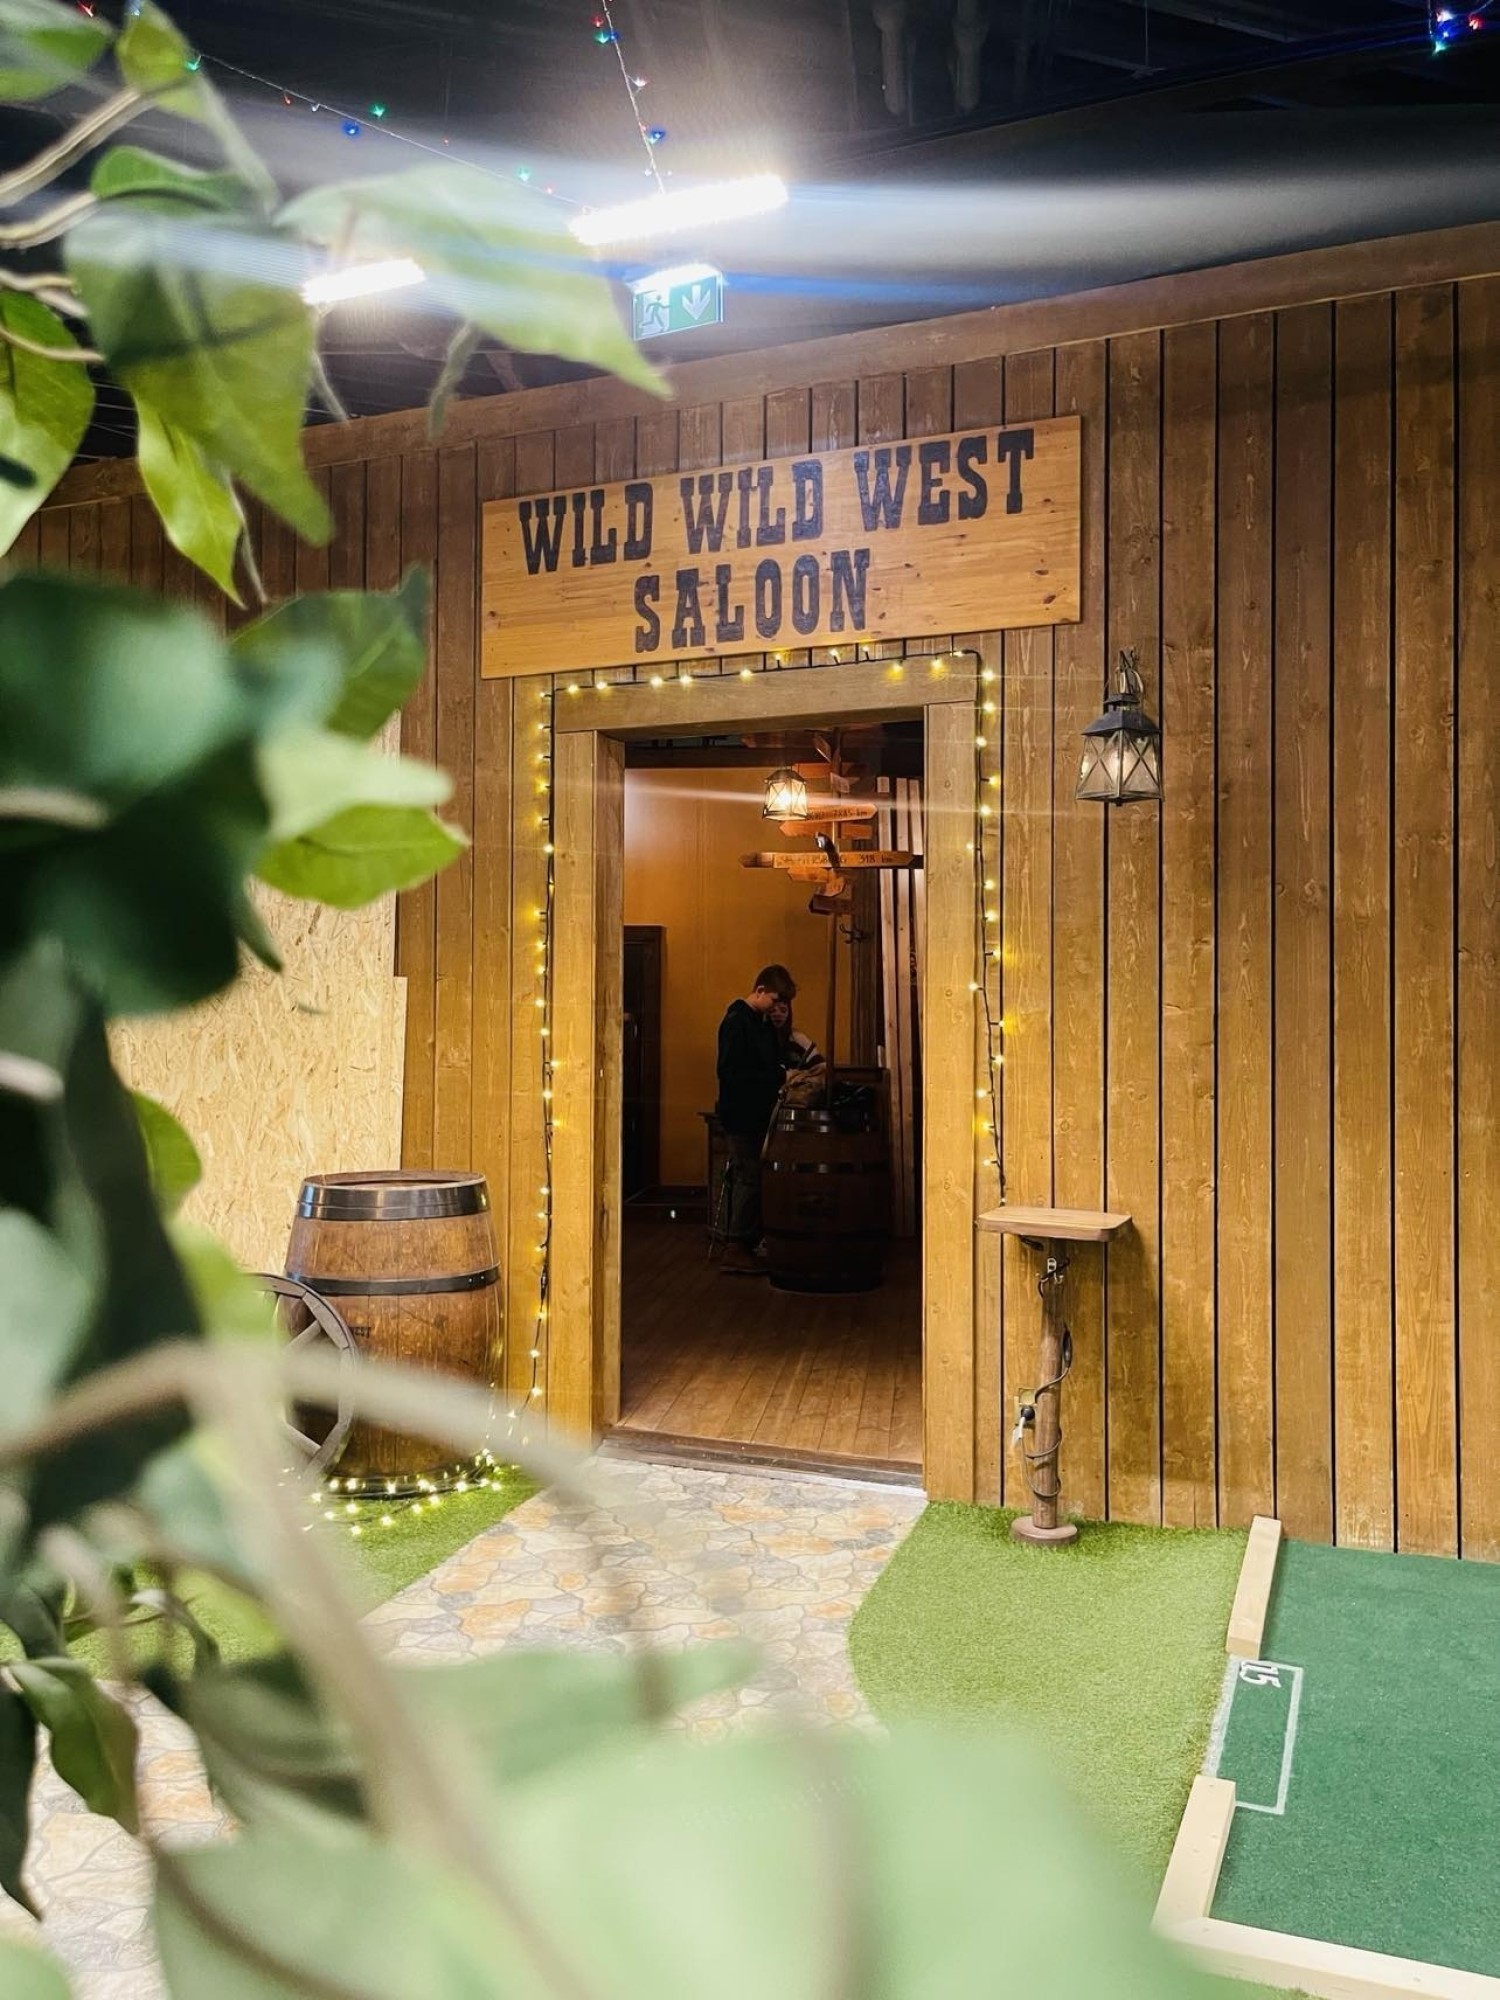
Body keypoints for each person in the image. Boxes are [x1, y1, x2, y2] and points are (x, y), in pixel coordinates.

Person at [714, 964, 796, 1276]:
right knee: (747, 1177)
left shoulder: (757, 1023)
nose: (776, 1007)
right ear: (759, 990)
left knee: (750, 1177)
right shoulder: (737, 1021)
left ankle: (743, 1244)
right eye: (774, 1000)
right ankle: (736, 1246)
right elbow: (729, 1071)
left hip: (753, 1112)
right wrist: (778, 1076)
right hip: (742, 1113)